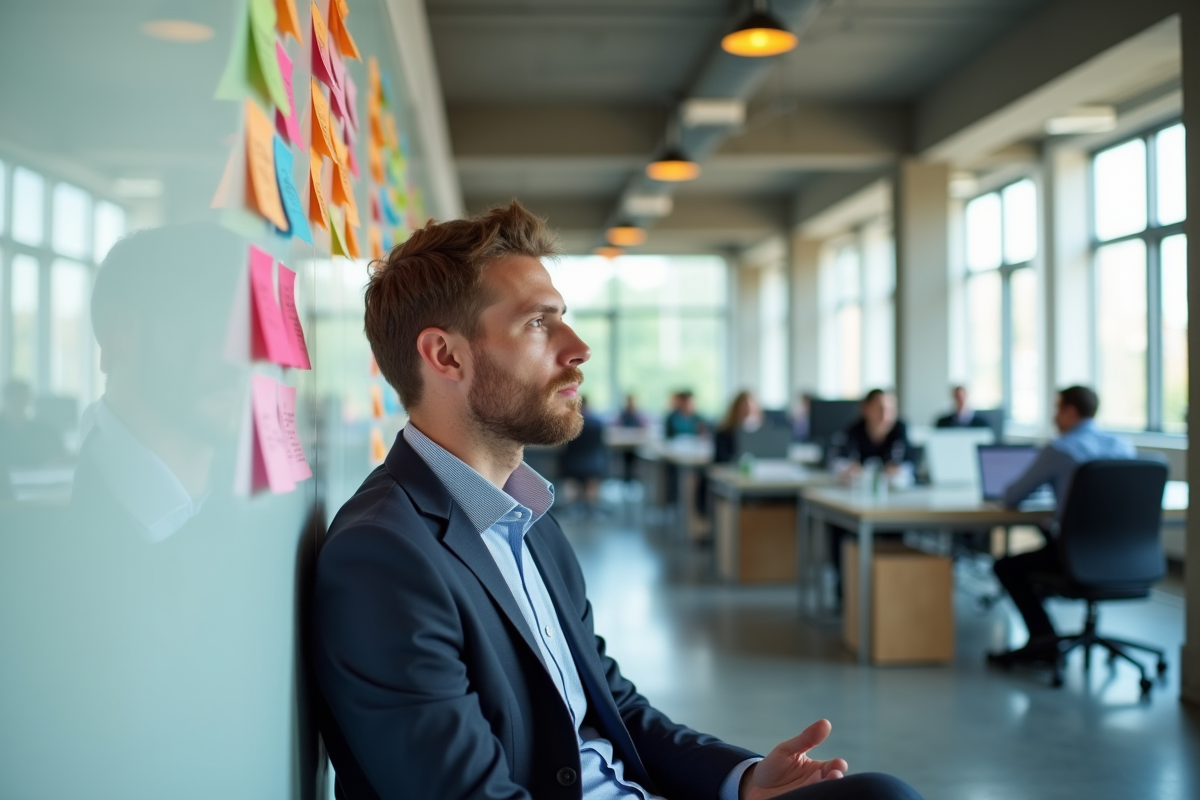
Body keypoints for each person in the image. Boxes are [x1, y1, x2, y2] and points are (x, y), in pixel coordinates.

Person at [310, 201, 920, 800]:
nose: (577, 348)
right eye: (537, 323)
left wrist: (740, 780)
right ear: (446, 355)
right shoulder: (384, 555)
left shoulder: (527, 518)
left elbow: (610, 703)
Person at [989, 386, 1136, 667]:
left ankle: (1043, 640)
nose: (1054, 418)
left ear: (1069, 411)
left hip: (1076, 555)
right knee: (1045, 546)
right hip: (1125, 555)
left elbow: (1012, 497)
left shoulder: (1059, 449)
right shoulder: (1122, 446)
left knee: (1005, 567)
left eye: (1057, 410)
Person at [0, 379, 67, 469]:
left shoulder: (43, 430)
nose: (21, 404)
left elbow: (60, 454)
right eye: (17, 399)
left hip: (39, 477)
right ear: (7, 400)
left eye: (24, 399)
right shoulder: (3, 431)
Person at [559, 395, 608, 513]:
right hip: (594, 463)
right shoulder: (597, 423)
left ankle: (572, 504)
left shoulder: (569, 423)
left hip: (572, 464)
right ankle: (591, 504)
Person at [714, 390, 764, 464]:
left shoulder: (762, 435)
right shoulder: (724, 433)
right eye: (744, 408)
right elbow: (722, 460)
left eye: (750, 410)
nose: (747, 412)